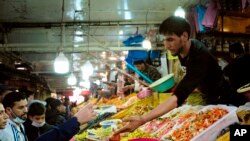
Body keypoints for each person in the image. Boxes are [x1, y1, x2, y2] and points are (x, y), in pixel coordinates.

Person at [115, 16, 247, 134]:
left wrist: (143, 119)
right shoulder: (183, 49)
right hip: (210, 99)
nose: (167, 45)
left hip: (226, 102)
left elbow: (178, 96)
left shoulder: (200, 56)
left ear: (184, 36)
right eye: (165, 40)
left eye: (170, 40)